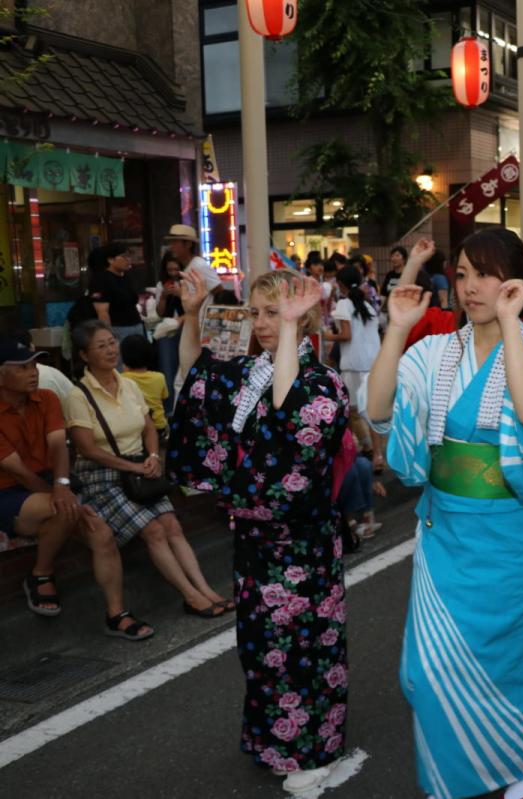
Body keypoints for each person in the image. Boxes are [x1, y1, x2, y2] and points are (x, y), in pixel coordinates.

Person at [366, 228, 523, 799]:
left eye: (485, 274)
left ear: (518, 283)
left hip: (513, 536)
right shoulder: (435, 351)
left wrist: (511, 325)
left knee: (512, 661)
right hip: (446, 534)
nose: (471, 287)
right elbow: (379, 410)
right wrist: (397, 330)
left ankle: (521, 765)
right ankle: (451, 775)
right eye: (462, 274)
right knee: (426, 671)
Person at [170, 268, 350, 795]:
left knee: (303, 649)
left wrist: (290, 329)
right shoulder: (251, 372)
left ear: (304, 317)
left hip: (302, 544)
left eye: (275, 312)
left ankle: (314, 750)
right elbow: (196, 378)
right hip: (254, 539)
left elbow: (289, 415)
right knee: (260, 648)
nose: (264, 322)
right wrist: (192, 314)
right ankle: (273, 741)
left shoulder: (322, 384)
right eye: (258, 312)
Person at [66, 320, 228, 618]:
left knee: (172, 525)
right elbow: (87, 449)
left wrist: (153, 456)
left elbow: (149, 427)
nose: (111, 350)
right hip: (102, 476)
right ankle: (191, 596)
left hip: (139, 469)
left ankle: (207, 590)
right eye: (101, 346)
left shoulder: (129, 384)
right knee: (153, 530)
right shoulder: (78, 395)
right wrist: (135, 466)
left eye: (112, 342)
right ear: (84, 355)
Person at [0, 334, 151, 638]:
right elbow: (17, 471)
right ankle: (41, 573)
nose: (33, 372)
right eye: (23, 367)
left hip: (52, 483)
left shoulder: (47, 398)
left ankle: (116, 614)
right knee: (64, 510)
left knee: (102, 534)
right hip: (10, 491)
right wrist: (65, 498)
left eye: (34, 365)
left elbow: (59, 446)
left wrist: (62, 484)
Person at [326, 266, 384, 470]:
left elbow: (346, 335)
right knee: (372, 413)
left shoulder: (343, 304)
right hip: (373, 363)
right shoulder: (367, 305)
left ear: (340, 284)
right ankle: (377, 455)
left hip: (354, 365)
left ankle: (364, 448)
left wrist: (325, 335)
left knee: (350, 411)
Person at [88, 243, 144, 348]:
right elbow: (102, 312)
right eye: (124, 256)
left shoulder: (127, 276)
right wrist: (110, 336)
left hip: (137, 325)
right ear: (110, 260)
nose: (128, 259)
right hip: (118, 329)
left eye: (129, 256)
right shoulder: (101, 279)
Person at [119, 334, 170, 442]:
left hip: (137, 430)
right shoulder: (159, 377)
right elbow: (164, 398)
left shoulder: (121, 379)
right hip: (158, 426)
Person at [153, 252, 185, 407]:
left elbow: (194, 310)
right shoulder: (161, 285)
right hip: (167, 331)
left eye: (176, 269)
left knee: (184, 368)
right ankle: (169, 407)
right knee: (167, 370)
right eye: (169, 270)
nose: (173, 273)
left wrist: (181, 294)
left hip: (185, 329)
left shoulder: (188, 283)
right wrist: (164, 296)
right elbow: (160, 312)